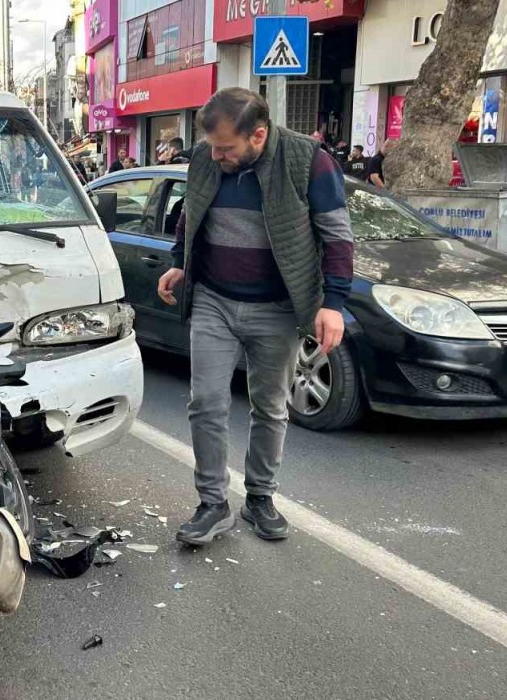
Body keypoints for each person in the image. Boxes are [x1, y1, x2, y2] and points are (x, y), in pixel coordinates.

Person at [157, 88, 353, 545]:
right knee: (205, 401)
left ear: (258, 135)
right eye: (212, 147)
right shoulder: (208, 158)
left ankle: (260, 498)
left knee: (270, 406)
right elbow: (192, 213)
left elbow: (338, 236)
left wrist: (334, 304)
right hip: (213, 300)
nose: (216, 156)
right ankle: (212, 504)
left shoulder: (309, 161)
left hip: (278, 308)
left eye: (226, 148)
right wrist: (178, 261)